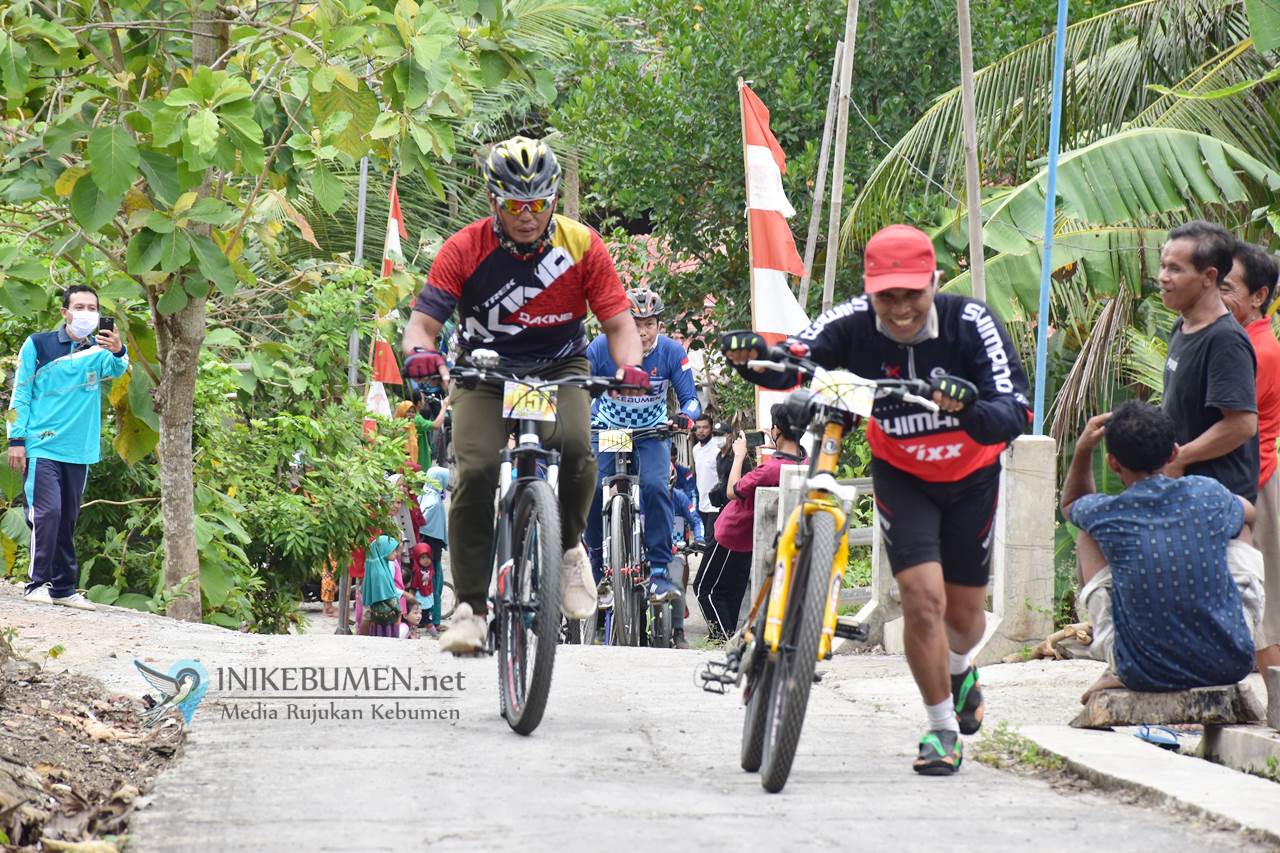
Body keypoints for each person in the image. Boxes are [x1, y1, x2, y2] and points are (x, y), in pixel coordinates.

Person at [722, 223, 1032, 775]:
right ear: (869, 291)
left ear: (933, 282)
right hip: (902, 475)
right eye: (887, 296)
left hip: (971, 479)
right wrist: (756, 357)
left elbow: (1017, 412)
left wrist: (967, 409)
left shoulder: (971, 324)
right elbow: (801, 353)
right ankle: (940, 730)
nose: (901, 308)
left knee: (964, 619)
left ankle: (960, 670)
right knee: (922, 599)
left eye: (912, 294)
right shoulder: (852, 322)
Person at [401, 135, 648, 654]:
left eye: (539, 204)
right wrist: (423, 353)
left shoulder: (581, 244)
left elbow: (620, 326)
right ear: (494, 201)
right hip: (484, 372)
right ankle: (471, 608)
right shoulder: (464, 248)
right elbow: (422, 326)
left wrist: (630, 368)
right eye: (516, 205)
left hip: (560, 367)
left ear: (553, 199)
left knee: (582, 449)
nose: (528, 216)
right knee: (475, 471)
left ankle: (569, 550)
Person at [1061, 402, 1265, 702]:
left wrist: (1083, 448)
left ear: (1113, 463)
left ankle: (1112, 654)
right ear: (1173, 453)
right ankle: (1240, 628)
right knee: (1240, 526)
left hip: (1142, 671)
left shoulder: (1106, 512)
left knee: (1085, 534)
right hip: (1230, 663)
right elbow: (1249, 513)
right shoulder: (1208, 494)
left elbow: (1071, 504)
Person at [9, 285, 128, 611]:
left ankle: (64, 588)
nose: (87, 313)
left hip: (80, 449)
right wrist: (16, 440)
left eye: (93, 307)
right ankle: (37, 583)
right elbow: (20, 393)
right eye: (80, 306)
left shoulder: (98, 351)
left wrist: (118, 349)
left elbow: (118, 369)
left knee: (68, 518)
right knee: (48, 513)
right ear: (65, 312)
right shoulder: (38, 345)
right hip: (41, 445)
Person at [586, 286, 701, 605]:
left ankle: (660, 571)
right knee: (593, 489)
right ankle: (597, 560)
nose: (643, 331)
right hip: (609, 430)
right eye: (635, 324)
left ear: (659, 325)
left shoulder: (672, 352)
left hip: (652, 432)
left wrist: (684, 418)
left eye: (649, 323)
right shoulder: (601, 347)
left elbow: (692, 401)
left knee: (655, 487)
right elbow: (579, 386)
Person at [1159, 221, 1259, 502]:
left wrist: (1180, 458)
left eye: (1175, 269)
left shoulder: (1225, 341)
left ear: (1208, 276)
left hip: (1217, 501)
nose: (1163, 277)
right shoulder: (1181, 326)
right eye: (1163, 265)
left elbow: (1241, 424)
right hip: (1185, 493)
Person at [1217, 242, 1280, 689]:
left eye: (1227, 286)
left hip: (1254, 483)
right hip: (1247, 482)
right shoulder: (1243, 342)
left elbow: (1230, 422)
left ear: (1258, 296)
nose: (1217, 294)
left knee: (1265, 614)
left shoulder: (1257, 352)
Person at [694, 409, 805, 640]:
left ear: (778, 431)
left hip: (731, 534)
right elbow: (788, 458)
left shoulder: (769, 469)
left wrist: (739, 455)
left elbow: (731, 490)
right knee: (732, 592)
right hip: (751, 539)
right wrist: (778, 446)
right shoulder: (805, 462)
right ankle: (729, 637)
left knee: (705, 589)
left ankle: (722, 638)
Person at [669, 463, 705, 650]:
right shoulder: (643, 497)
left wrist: (698, 538)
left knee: (677, 586)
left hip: (674, 551)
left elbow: (696, 520)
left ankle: (678, 632)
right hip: (648, 551)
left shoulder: (681, 498)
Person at [417, 466, 450, 633]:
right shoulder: (435, 502)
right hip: (432, 553)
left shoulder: (424, 495)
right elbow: (427, 525)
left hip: (423, 550)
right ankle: (434, 621)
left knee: (426, 585)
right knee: (434, 587)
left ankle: (425, 618)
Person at [360, 535, 403, 638]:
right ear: (383, 551)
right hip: (386, 617)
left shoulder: (379, 567)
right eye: (393, 551)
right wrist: (398, 610)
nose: (396, 554)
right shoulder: (380, 573)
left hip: (378, 616)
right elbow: (387, 596)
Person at [691, 414, 723, 550]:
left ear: (711, 429)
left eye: (704, 427)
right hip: (702, 505)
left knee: (711, 544)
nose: (701, 431)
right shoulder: (695, 449)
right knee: (708, 542)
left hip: (715, 505)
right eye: (698, 427)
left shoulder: (718, 448)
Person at [406, 543, 436, 636]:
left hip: (426, 600)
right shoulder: (416, 571)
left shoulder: (430, 569)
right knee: (418, 620)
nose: (426, 560)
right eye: (422, 557)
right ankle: (434, 636)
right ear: (417, 558)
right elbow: (413, 587)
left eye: (428, 557)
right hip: (418, 600)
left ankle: (434, 636)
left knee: (426, 620)